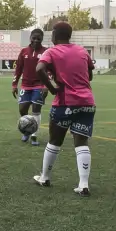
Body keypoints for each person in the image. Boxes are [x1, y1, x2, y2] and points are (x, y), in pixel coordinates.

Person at [32, 22, 97, 197]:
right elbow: (89, 75)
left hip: (65, 102)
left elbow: (39, 69)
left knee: (54, 140)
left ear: (54, 35)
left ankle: (45, 177)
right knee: (82, 143)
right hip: (87, 102)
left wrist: (52, 88)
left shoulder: (51, 52)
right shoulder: (82, 51)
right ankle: (83, 184)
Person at [12, 29, 48, 146]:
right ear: (30, 38)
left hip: (39, 85)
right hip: (25, 85)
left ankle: (34, 135)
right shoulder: (24, 52)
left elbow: (49, 69)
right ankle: (27, 129)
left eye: (39, 39)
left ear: (42, 39)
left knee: (36, 110)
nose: (36, 40)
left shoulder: (46, 52)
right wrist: (14, 84)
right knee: (22, 109)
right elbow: (18, 69)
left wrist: (46, 85)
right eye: (34, 38)